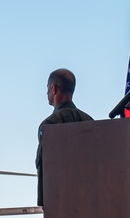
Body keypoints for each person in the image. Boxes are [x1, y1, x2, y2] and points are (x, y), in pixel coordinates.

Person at [35, 68, 94, 206]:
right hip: (89, 199)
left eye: (48, 88)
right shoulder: (90, 122)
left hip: (60, 202)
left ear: (54, 89)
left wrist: (44, 202)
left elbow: (44, 166)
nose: (47, 93)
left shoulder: (49, 124)